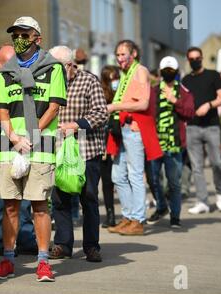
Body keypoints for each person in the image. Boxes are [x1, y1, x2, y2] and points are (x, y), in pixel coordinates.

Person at [0, 16, 67, 282]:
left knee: (39, 206)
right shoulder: (6, 71)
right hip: (9, 146)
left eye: (25, 34)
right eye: (16, 34)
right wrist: (13, 138)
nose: (19, 38)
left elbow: (54, 106)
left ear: (38, 38)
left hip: (40, 145)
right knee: (10, 206)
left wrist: (31, 137)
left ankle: (43, 262)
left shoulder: (54, 68)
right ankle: (8, 260)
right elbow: (1, 109)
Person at [48, 46, 108, 262]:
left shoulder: (89, 81)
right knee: (60, 200)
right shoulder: (49, 82)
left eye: (55, 66)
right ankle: (63, 245)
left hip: (86, 151)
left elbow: (102, 113)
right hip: (57, 151)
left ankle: (91, 246)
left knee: (89, 200)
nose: (51, 70)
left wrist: (77, 124)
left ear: (70, 65)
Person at [0, 44, 38, 257]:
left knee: (24, 196)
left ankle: (25, 240)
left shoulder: (25, 77)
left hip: (23, 142)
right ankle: (0, 242)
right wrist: (4, 118)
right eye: (7, 62)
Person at [106, 40, 162, 236]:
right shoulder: (126, 73)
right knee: (118, 176)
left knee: (135, 174)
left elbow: (143, 103)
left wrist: (115, 106)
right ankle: (129, 217)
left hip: (134, 129)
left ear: (134, 53)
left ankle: (138, 220)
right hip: (123, 129)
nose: (120, 58)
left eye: (123, 54)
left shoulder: (140, 71)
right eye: (118, 55)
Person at [147, 57, 195, 228]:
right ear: (160, 72)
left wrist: (175, 101)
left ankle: (175, 216)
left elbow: (190, 112)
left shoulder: (183, 92)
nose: (168, 73)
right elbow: (147, 112)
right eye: (165, 70)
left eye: (171, 70)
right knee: (153, 179)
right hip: (155, 143)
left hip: (174, 144)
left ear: (176, 72)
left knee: (174, 183)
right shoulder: (153, 91)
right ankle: (161, 206)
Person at [182, 47, 221, 214]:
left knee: (217, 163)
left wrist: (208, 105)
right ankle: (203, 202)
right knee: (197, 167)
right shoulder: (186, 80)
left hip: (211, 126)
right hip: (192, 127)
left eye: (197, 58)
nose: (195, 61)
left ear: (202, 58)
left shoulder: (213, 76)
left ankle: (220, 192)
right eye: (191, 58)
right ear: (188, 60)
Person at [99, 65, 120, 228]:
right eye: (112, 79)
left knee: (113, 179)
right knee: (102, 181)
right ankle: (108, 214)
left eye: (117, 78)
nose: (116, 82)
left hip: (118, 138)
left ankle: (115, 214)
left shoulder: (122, 93)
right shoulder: (100, 94)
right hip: (103, 139)